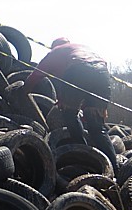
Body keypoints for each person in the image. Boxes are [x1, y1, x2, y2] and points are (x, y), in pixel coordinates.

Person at [23, 38, 117, 169]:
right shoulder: (83, 47)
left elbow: (36, 75)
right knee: (97, 126)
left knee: (70, 114)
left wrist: (23, 91)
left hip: (78, 69)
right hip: (102, 72)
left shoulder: (55, 52)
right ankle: (114, 169)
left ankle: (82, 152)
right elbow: (90, 78)